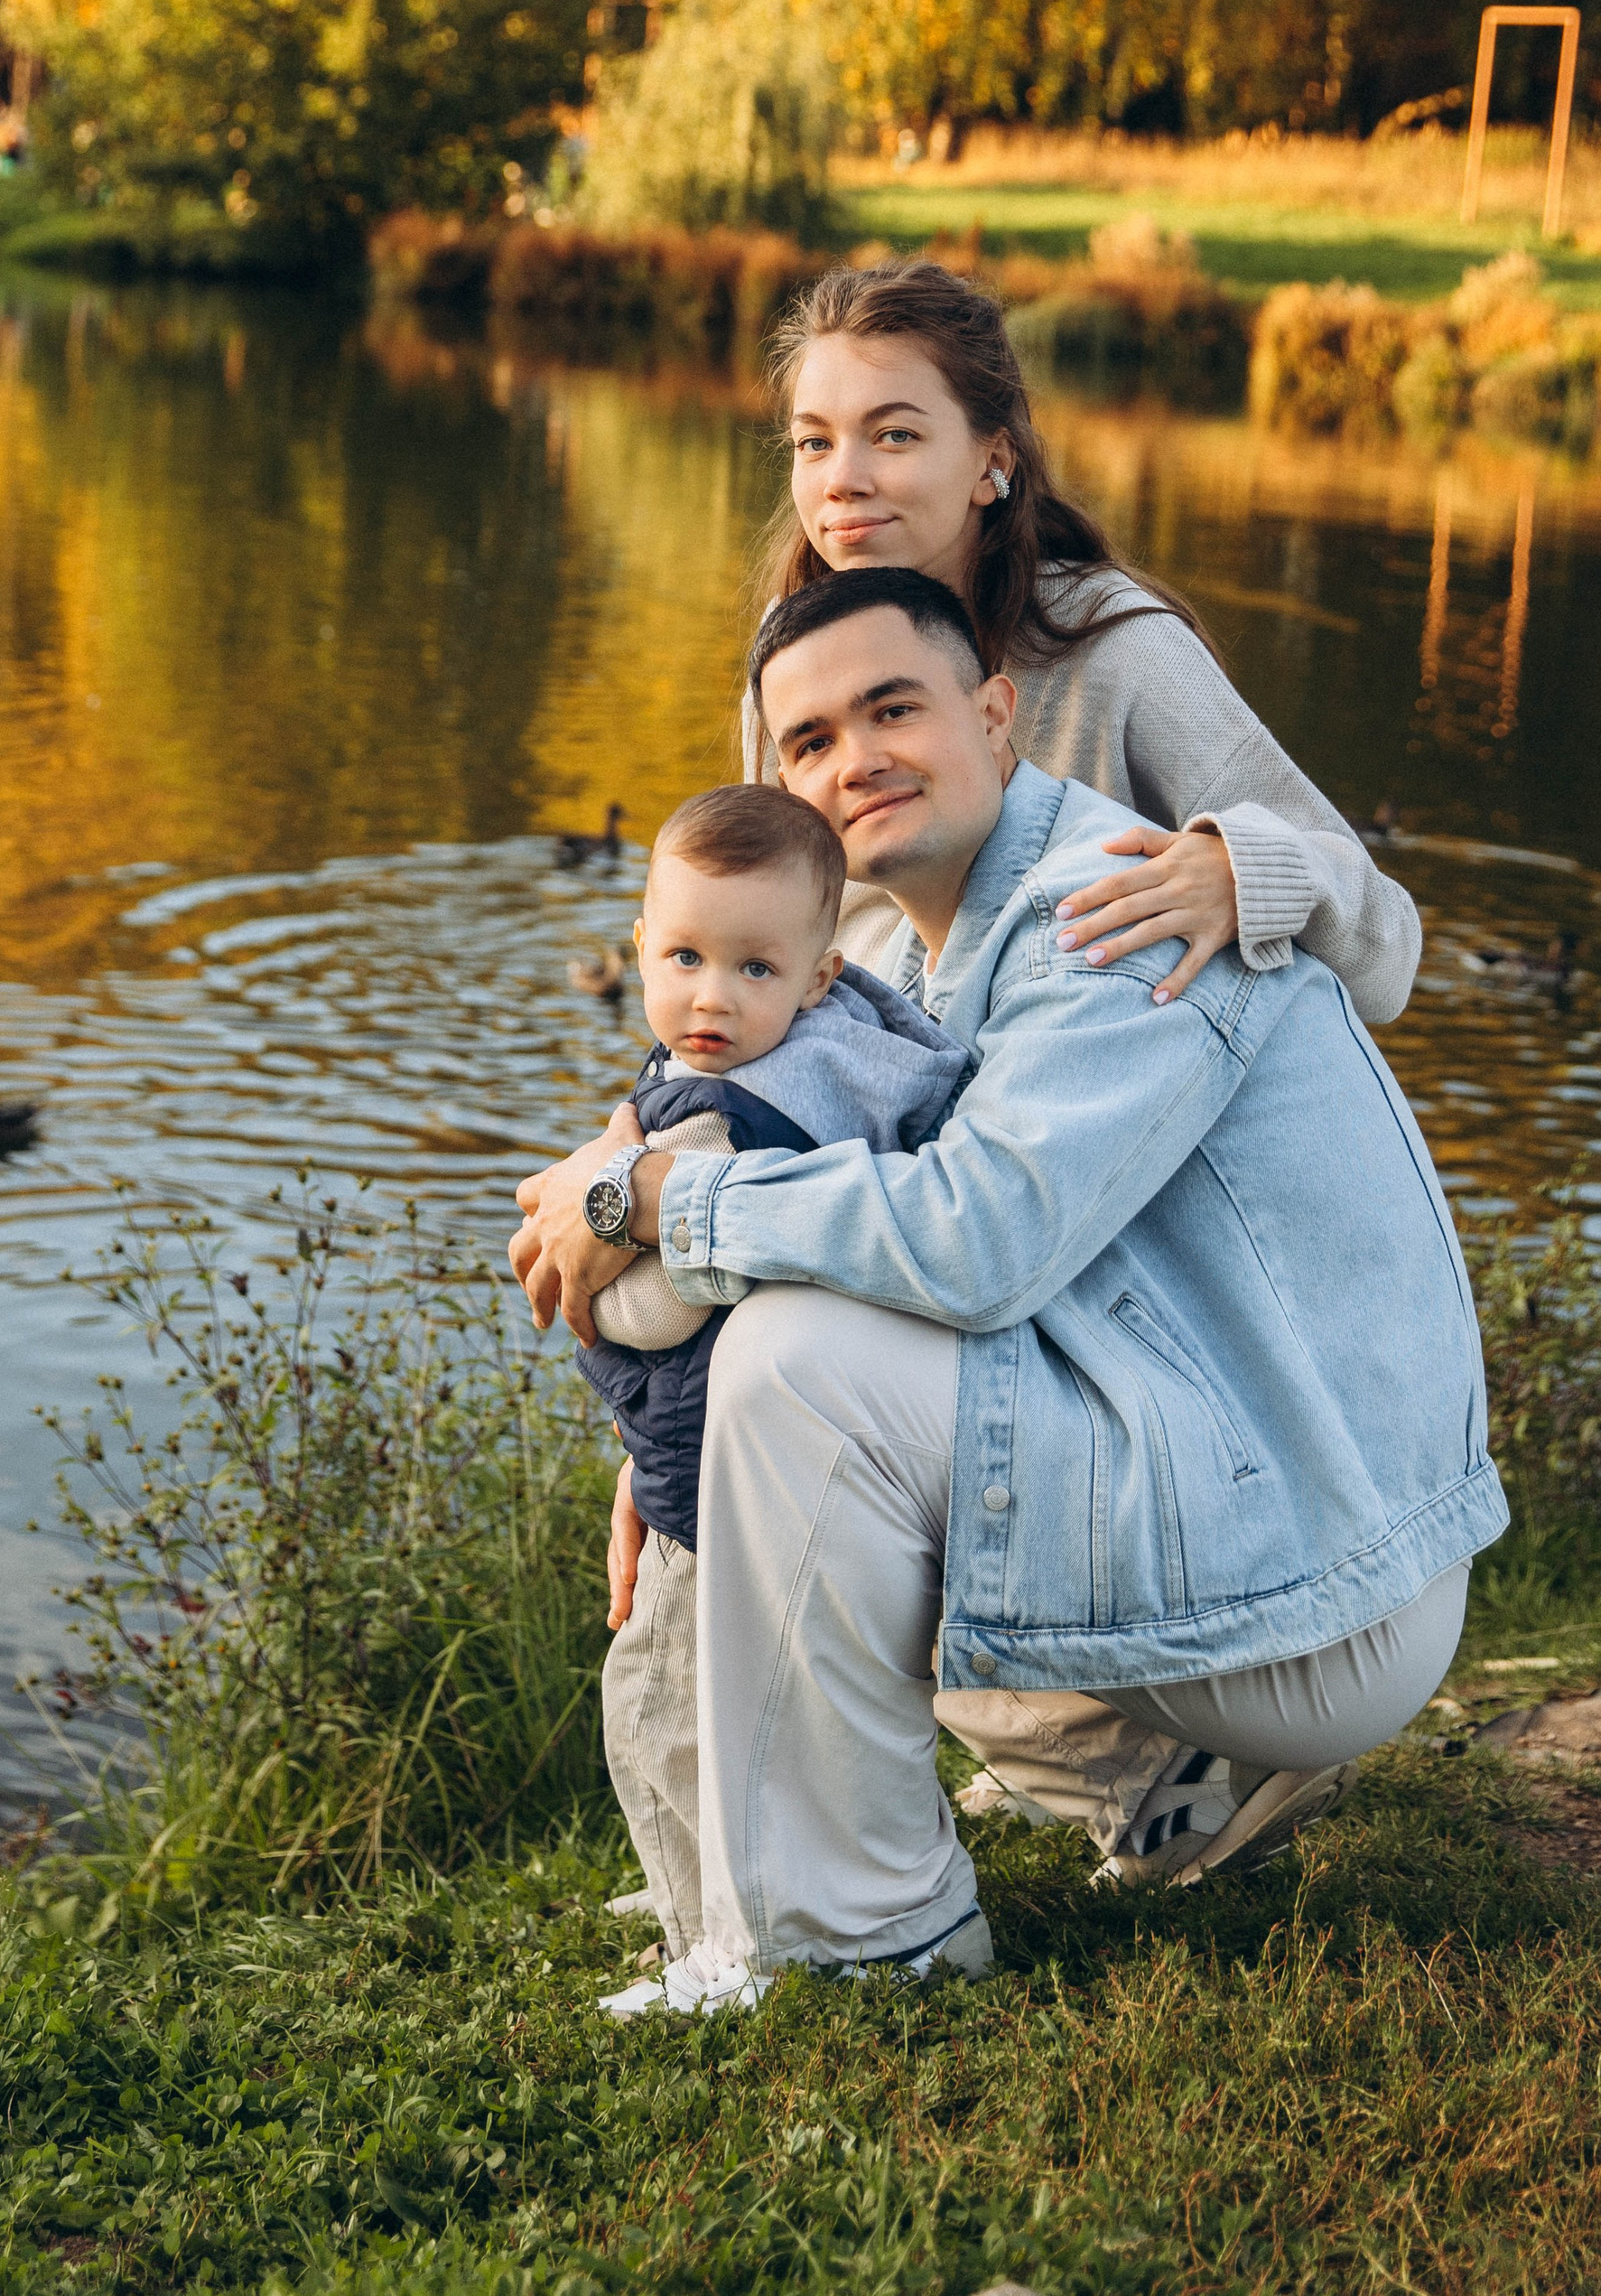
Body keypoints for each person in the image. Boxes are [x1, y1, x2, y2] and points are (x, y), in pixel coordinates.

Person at [514, 565, 1506, 2017]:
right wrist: (676, 1449)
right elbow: (893, 1217)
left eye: (893, 707)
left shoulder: (1108, 911)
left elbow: (978, 1239)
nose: (854, 761)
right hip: (1261, 1505)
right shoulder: (920, 959)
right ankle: (1157, 1788)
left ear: (992, 712)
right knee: (781, 1392)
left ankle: (873, 1936)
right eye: (807, 742)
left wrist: (660, 1195)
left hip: (1330, 1584)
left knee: (794, 1364)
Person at [752, 259, 1419, 1021]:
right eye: (813, 443)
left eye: (893, 435)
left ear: (991, 462)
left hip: (1081, 1103)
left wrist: (1238, 875)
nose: (843, 478)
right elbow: (743, 949)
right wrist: (659, 1132)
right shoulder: (789, 657)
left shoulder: (1114, 651)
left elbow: (1387, 952)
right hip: (860, 1101)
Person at [578, 783, 968, 1985]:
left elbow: (665, 1298)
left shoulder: (728, 1118)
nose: (709, 997)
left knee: (665, 1712)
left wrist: (590, 1295)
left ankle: (710, 1940)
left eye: (752, 969)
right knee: (731, 1717)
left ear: (814, 978)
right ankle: (708, 1898)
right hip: (747, 1462)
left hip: (718, 1475)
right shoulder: (828, 1057)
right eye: (685, 955)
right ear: (642, 941)